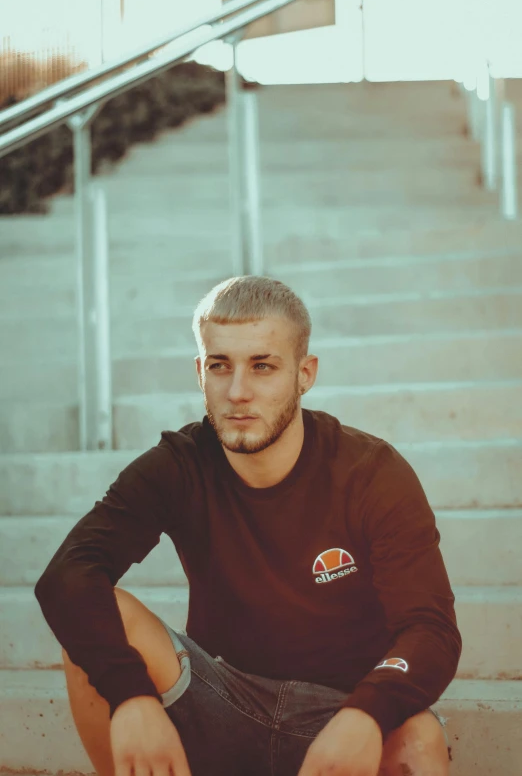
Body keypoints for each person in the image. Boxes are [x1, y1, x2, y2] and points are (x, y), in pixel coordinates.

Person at [35, 276, 461, 776]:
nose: (238, 392)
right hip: (220, 699)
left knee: (420, 740)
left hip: (342, 716)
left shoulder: (370, 473)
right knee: (97, 614)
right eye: (221, 366)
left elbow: (430, 631)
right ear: (201, 372)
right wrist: (130, 697)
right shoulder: (179, 465)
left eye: (263, 366)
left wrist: (367, 713)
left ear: (305, 373)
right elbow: (66, 576)